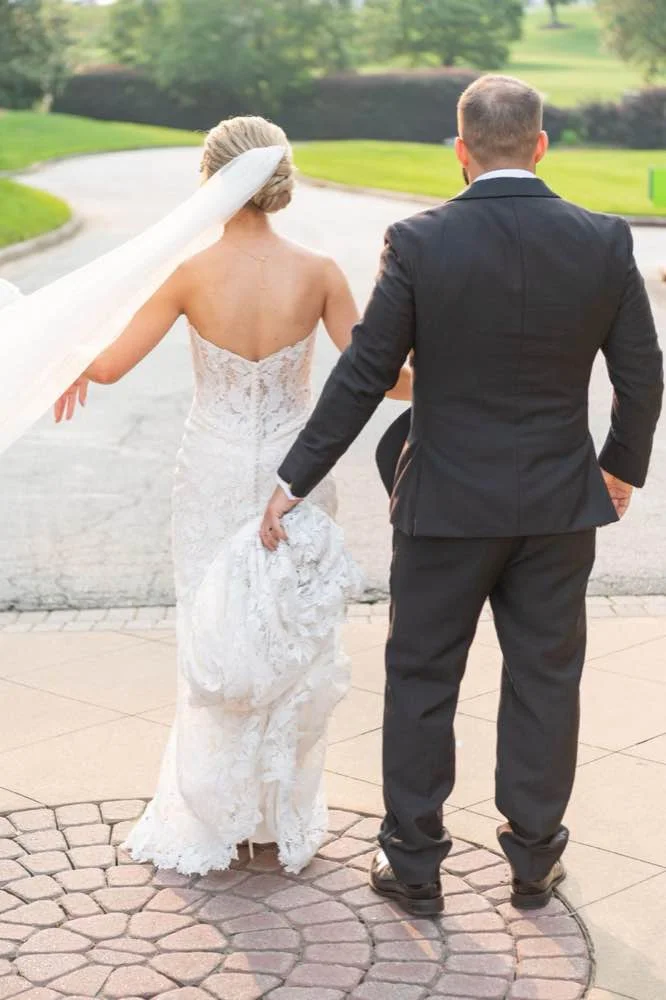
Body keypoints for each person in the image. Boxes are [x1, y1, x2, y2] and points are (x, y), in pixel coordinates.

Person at [261, 75, 663, 915]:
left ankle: (413, 865)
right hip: (559, 505)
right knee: (546, 679)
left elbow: (367, 370)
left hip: (445, 504)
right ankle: (534, 861)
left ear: (462, 149)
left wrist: (295, 476)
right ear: (542, 144)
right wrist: (619, 467)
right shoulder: (602, 240)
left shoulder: (419, 240)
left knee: (421, 677)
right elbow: (642, 372)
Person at [53, 115, 410, 874]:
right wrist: (462, 371)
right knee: (290, 634)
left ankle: (211, 812)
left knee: (212, 634)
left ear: (212, 179)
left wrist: (60, 359)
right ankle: (280, 817)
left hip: (212, 468)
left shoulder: (188, 275)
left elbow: (110, 366)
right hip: (296, 471)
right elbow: (382, 377)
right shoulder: (318, 272)